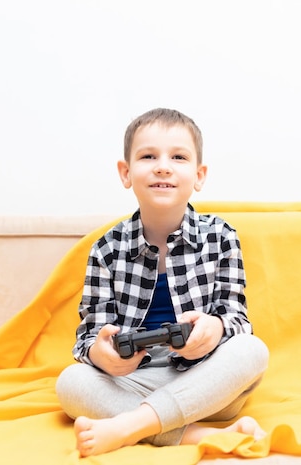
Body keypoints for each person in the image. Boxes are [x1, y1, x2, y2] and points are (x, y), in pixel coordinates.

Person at [56, 108, 269, 457]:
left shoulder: (221, 236)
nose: (163, 166)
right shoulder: (106, 250)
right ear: (126, 173)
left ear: (199, 176)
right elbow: (88, 337)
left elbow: (236, 319)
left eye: (178, 157)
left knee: (252, 350)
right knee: (71, 383)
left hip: (204, 382)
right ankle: (198, 434)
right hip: (135, 381)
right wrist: (102, 354)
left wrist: (213, 331)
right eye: (148, 156)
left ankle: (127, 427)